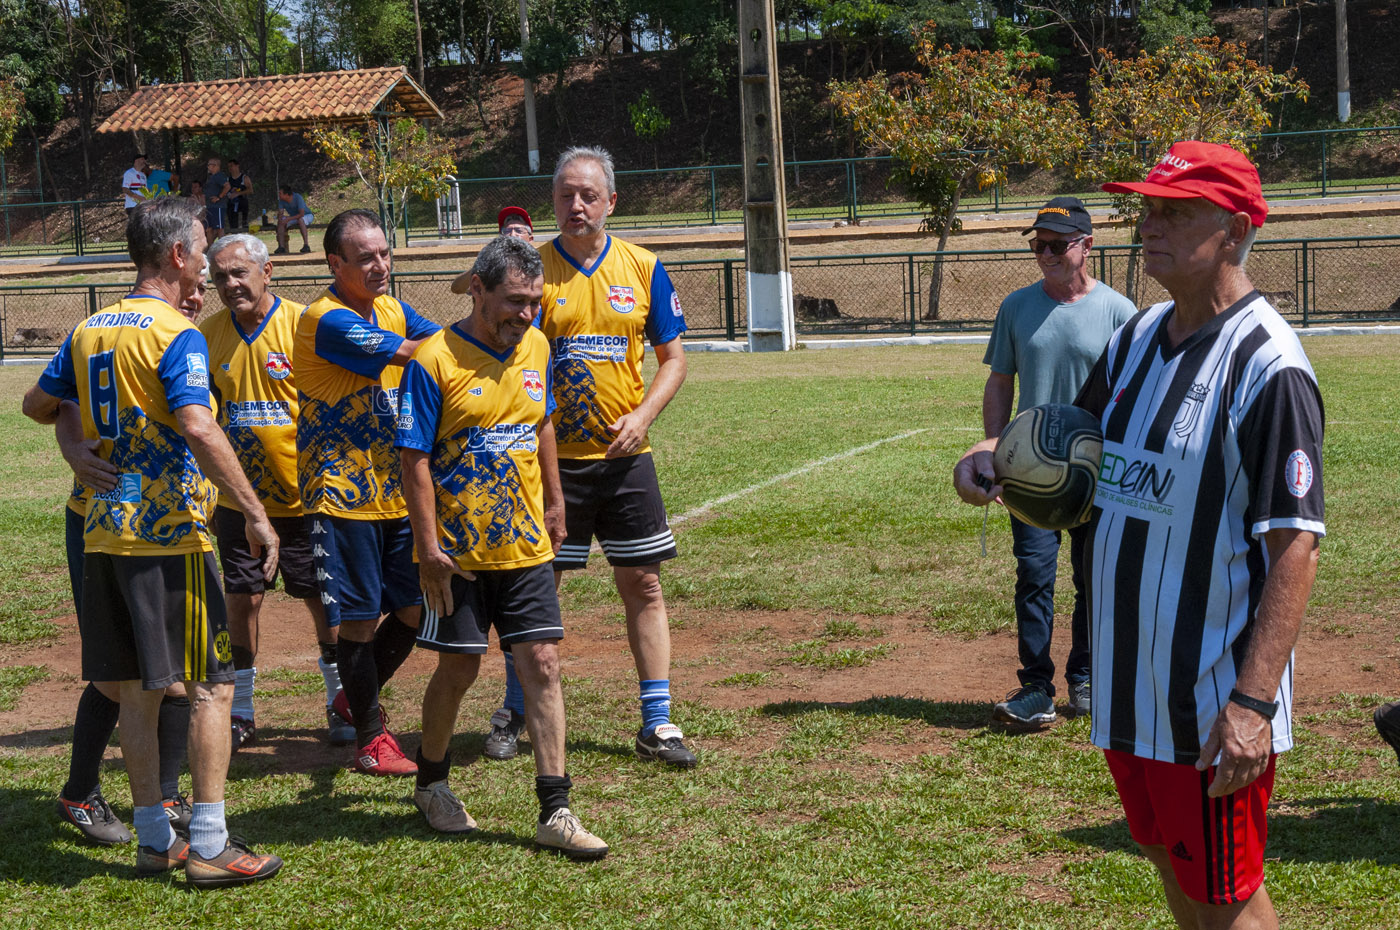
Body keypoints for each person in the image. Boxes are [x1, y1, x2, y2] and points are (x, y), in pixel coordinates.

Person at [955, 141, 1324, 929]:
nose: (1149, 225)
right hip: (1131, 679)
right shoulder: (1138, 335)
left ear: (1235, 229)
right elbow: (1072, 441)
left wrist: (1252, 703)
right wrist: (992, 457)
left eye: (1176, 213)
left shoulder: (1269, 366)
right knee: (1167, 858)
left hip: (1207, 693)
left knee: (1226, 892)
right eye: (1147, 209)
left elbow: (1295, 546)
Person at [22, 196, 283, 887]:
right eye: (200, 247)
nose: (205, 261)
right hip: (170, 539)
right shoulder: (176, 333)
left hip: (106, 533)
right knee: (211, 688)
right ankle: (209, 846)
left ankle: (152, 841)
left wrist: (74, 447)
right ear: (176, 255)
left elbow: (39, 403)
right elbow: (198, 425)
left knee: (138, 689)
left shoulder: (90, 329)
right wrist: (254, 512)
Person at [472, 146, 693, 767]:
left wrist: (642, 417)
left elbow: (674, 360)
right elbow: (496, 351)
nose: (576, 205)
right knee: (534, 591)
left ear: (611, 201)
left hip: (626, 461)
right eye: (566, 194)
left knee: (643, 583)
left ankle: (658, 721)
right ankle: (514, 710)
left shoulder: (643, 267)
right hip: (548, 466)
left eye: (588, 195)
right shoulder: (530, 271)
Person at [397, 235, 609, 859]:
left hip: (526, 545)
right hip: (458, 556)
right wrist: (428, 548)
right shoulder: (433, 360)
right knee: (459, 669)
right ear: (478, 290)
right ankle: (431, 784)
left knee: (541, 663)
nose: (526, 313)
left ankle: (555, 809)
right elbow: (413, 460)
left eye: (534, 301)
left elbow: (542, 421)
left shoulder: (537, 345)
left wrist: (556, 500)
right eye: (515, 301)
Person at [981, 196, 1135, 730]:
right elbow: (1000, 381)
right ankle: (1035, 688)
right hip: (1029, 475)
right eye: (1038, 245)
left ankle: (1087, 679)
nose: (1045, 254)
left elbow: (1135, 393)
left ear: (1086, 246)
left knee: (1095, 578)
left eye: (1056, 245)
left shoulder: (1120, 312)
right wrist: (995, 448)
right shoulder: (1016, 307)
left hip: (1097, 475)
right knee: (1033, 575)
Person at [295, 208, 439, 775]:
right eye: (365, 258)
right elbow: (418, 352)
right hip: (341, 494)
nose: (380, 265)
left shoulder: (391, 308)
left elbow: (439, 340)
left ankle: (354, 698)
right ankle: (371, 739)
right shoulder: (325, 318)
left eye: (384, 253)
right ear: (336, 264)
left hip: (395, 492)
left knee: (415, 608)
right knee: (356, 620)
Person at [202, 233, 353, 750]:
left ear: (268, 272)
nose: (230, 284)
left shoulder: (304, 325)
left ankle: (340, 700)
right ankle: (241, 709)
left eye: (239, 272)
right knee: (242, 598)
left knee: (321, 600)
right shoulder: (206, 335)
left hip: (306, 499)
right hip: (239, 502)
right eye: (220, 276)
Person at [275, 186, 314, 255]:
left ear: (286, 194)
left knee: (300, 220)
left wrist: (288, 219)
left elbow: (301, 214)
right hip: (294, 217)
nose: (278, 195)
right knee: (281, 222)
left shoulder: (298, 197)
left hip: (307, 215)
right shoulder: (281, 200)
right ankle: (281, 247)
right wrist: (280, 218)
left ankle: (306, 245)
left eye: (280, 193)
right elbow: (280, 213)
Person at [203, 157, 230, 241]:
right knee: (209, 229)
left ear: (215, 166)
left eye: (209, 165)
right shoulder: (212, 177)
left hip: (217, 206)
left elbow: (227, 186)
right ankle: (210, 248)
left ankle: (223, 247)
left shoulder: (219, 176)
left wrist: (219, 197)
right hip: (210, 206)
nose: (208, 167)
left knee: (219, 229)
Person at [225, 160, 252, 231]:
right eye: (228, 167)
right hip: (232, 203)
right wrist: (230, 193)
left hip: (242, 201)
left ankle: (244, 222)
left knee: (244, 202)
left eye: (231, 166)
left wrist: (238, 193)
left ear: (237, 166)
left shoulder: (244, 178)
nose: (230, 168)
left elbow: (250, 190)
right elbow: (224, 191)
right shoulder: (227, 179)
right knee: (233, 222)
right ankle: (233, 229)